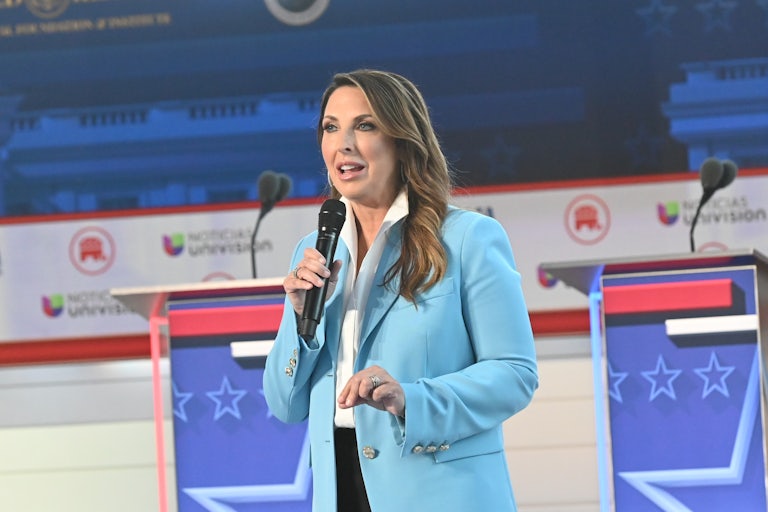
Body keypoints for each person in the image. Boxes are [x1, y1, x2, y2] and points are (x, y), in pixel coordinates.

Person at [263, 69, 538, 512]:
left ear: (402, 140)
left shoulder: (469, 239)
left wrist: (413, 398)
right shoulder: (314, 249)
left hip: (441, 492)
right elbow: (284, 404)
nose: (343, 144)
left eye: (365, 126)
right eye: (331, 128)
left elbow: (514, 374)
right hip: (340, 491)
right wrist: (301, 323)